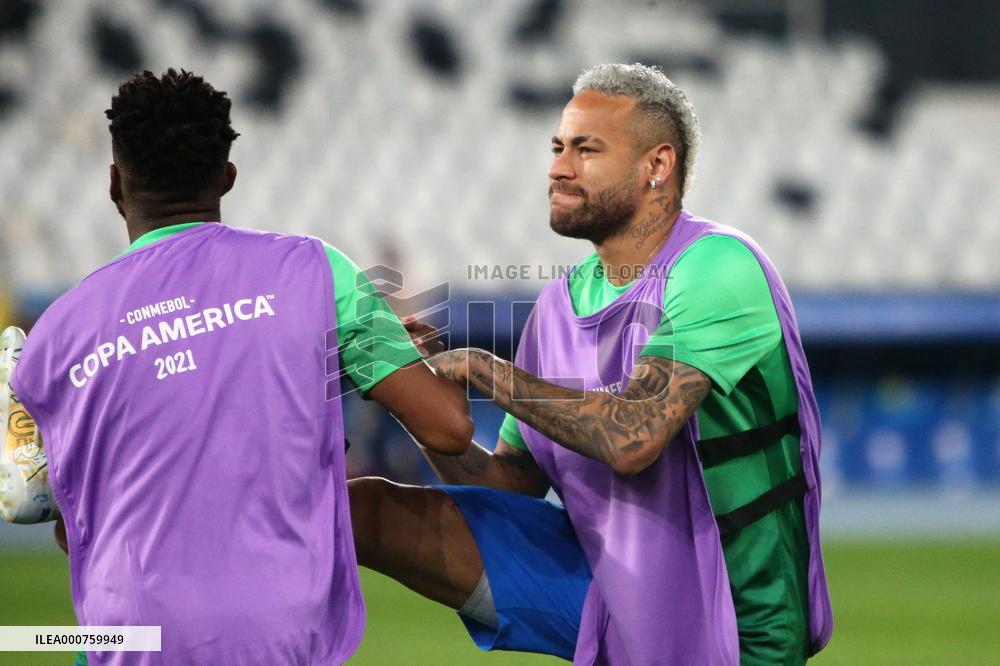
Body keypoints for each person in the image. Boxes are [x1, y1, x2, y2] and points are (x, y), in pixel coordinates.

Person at [350, 63, 833, 665]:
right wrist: (407, 393)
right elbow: (510, 485)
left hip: (727, 618)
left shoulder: (718, 269)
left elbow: (633, 437)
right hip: (604, 588)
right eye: (557, 147)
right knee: (358, 506)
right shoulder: (557, 304)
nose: (558, 167)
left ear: (657, 166)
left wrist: (485, 370)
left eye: (586, 149)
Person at [8, 69, 472, 665]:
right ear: (227, 176)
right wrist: (407, 364)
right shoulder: (315, 271)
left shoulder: (57, 335)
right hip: (277, 637)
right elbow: (449, 430)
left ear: (114, 182)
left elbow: (72, 533)